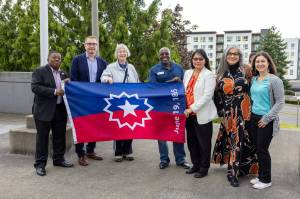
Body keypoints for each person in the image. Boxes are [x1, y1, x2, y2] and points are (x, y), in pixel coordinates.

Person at [211, 46, 258, 187]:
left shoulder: (246, 70)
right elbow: (217, 96)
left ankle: (243, 168)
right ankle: (232, 172)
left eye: (236, 54)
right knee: (234, 141)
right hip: (228, 113)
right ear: (225, 56)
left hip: (245, 110)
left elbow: (253, 89)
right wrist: (221, 113)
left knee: (246, 140)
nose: (233, 56)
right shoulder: (220, 74)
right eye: (230, 54)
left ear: (239, 56)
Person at [31, 51, 73, 176]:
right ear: (48, 58)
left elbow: (67, 90)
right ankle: (40, 165)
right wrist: (54, 91)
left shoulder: (63, 73)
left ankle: (59, 159)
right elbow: (35, 87)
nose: (57, 60)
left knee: (59, 136)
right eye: (54, 57)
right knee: (42, 138)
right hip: (43, 111)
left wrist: (69, 84)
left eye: (59, 58)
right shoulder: (39, 71)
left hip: (60, 110)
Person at [148, 47, 190, 170]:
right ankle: (164, 159)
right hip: (160, 107)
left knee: (177, 131)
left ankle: (180, 159)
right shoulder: (154, 70)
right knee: (161, 135)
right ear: (159, 56)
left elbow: (185, 85)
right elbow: (154, 88)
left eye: (166, 53)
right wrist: (171, 81)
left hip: (176, 106)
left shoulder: (178, 68)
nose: (164, 55)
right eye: (162, 54)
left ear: (170, 55)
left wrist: (180, 81)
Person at [70, 35, 108, 166]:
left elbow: (106, 79)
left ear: (97, 46)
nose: (92, 46)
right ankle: (80, 154)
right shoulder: (77, 60)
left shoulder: (103, 62)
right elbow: (73, 79)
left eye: (94, 44)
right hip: (81, 100)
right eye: (89, 44)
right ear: (85, 45)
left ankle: (90, 150)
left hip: (96, 99)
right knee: (81, 125)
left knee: (94, 124)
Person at [249, 51, 284, 189]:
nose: (260, 63)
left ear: (268, 63)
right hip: (254, 117)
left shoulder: (275, 80)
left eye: (263, 61)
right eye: (257, 62)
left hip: (266, 119)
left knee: (263, 149)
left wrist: (267, 118)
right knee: (257, 148)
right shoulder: (254, 79)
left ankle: (266, 180)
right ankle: (260, 175)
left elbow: (280, 102)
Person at [101, 43, 139, 162]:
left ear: (127, 54)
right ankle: (118, 152)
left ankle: (128, 151)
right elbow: (103, 77)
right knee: (119, 126)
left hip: (131, 101)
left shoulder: (131, 67)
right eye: (119, 51)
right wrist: (108, 79)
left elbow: (137, 81)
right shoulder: (111, 67)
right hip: (118, 101)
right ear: (116, 54)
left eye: (124, 51)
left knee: (130, 125)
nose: (122, 53)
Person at [183, 49, 217, 178]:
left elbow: (207, 96)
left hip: (201, 114)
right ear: (192, 60)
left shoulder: (209, 75)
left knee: (204, 143)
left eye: (200, 59)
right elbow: (184, 91)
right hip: (188, 115)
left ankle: (204, 168)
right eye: (195, 59)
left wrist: (191, 109)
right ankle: (195, 164)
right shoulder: (187, 73)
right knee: (192, 142)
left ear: (205, 61)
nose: (197, 61)